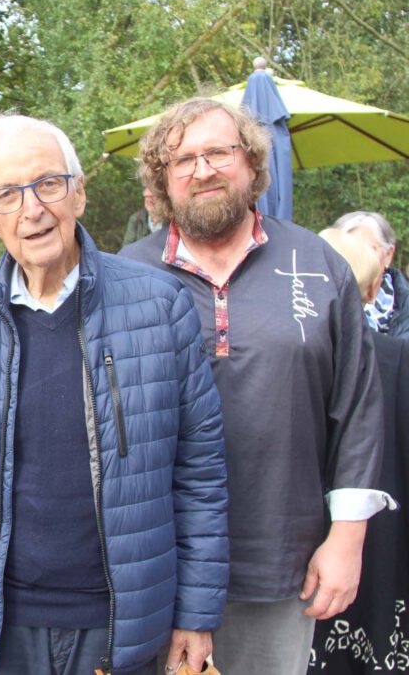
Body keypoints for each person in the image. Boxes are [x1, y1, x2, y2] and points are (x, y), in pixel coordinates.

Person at [0, 114, 228, 675]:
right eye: (6, 194)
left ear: (78, 192)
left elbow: (199, 471)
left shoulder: (159, 306)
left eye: (48, 184)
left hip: (121, 624)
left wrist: (197, 613)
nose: (32, 209)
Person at [122, 98, 388, 674]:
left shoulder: (318, 263)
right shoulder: (125, 277)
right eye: (183, 159)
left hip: (281, 561)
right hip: (155, 564)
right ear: (163, 182)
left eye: (219, 151)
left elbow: (357, 408)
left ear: (252, 164)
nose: (203, 169)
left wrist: (347, 540)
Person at [308, 230, 409, 674]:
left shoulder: (290, 358)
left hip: (305, 541)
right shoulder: (395, 358)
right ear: (371, 291)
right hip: (384, 534)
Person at [333, 211, 409, 339]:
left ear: (388, 255)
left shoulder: (404, 307)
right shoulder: (309, 302)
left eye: (367, 249)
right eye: (347, 251)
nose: (357, 259)